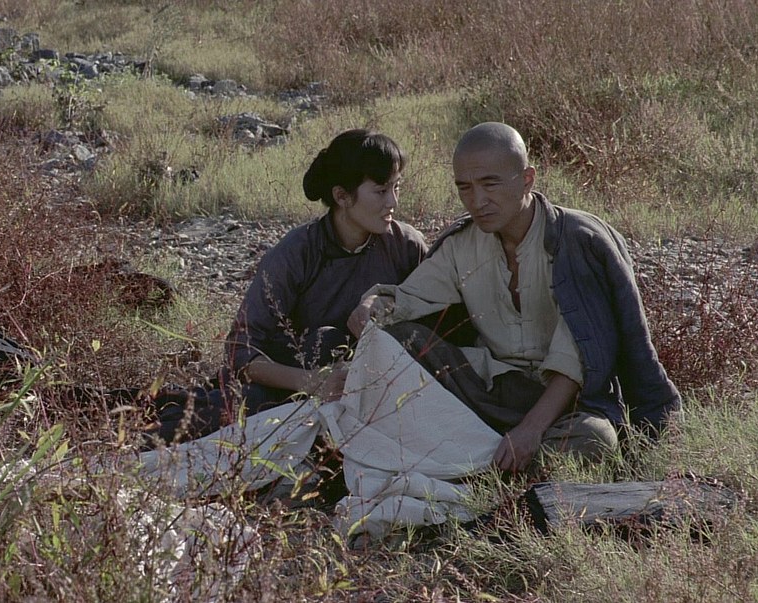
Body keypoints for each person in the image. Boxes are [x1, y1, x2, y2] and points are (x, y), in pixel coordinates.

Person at [348, 122, 681, 472]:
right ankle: (479, 461)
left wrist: (530, 430)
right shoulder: (462, 244)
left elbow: (576, 357)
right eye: (465, 188)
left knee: (594, 439)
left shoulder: (576, 242)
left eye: (490, 184)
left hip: (564, 403)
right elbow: (410, 298)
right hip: (490, 391)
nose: (477, 201)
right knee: (399, 338)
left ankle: (485, 471)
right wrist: (374, 306)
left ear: (526, 179)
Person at [149, 129, 428, 445]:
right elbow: (240, 351)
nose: (393, 202)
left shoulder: (406, 246)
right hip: (290, 383)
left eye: (396, 187)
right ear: (342, 196)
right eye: (381, 191)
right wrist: (311, 382)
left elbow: (438, 314)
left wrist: (383, 301)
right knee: (235, 416)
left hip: (376, 383)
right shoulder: (296, 254)